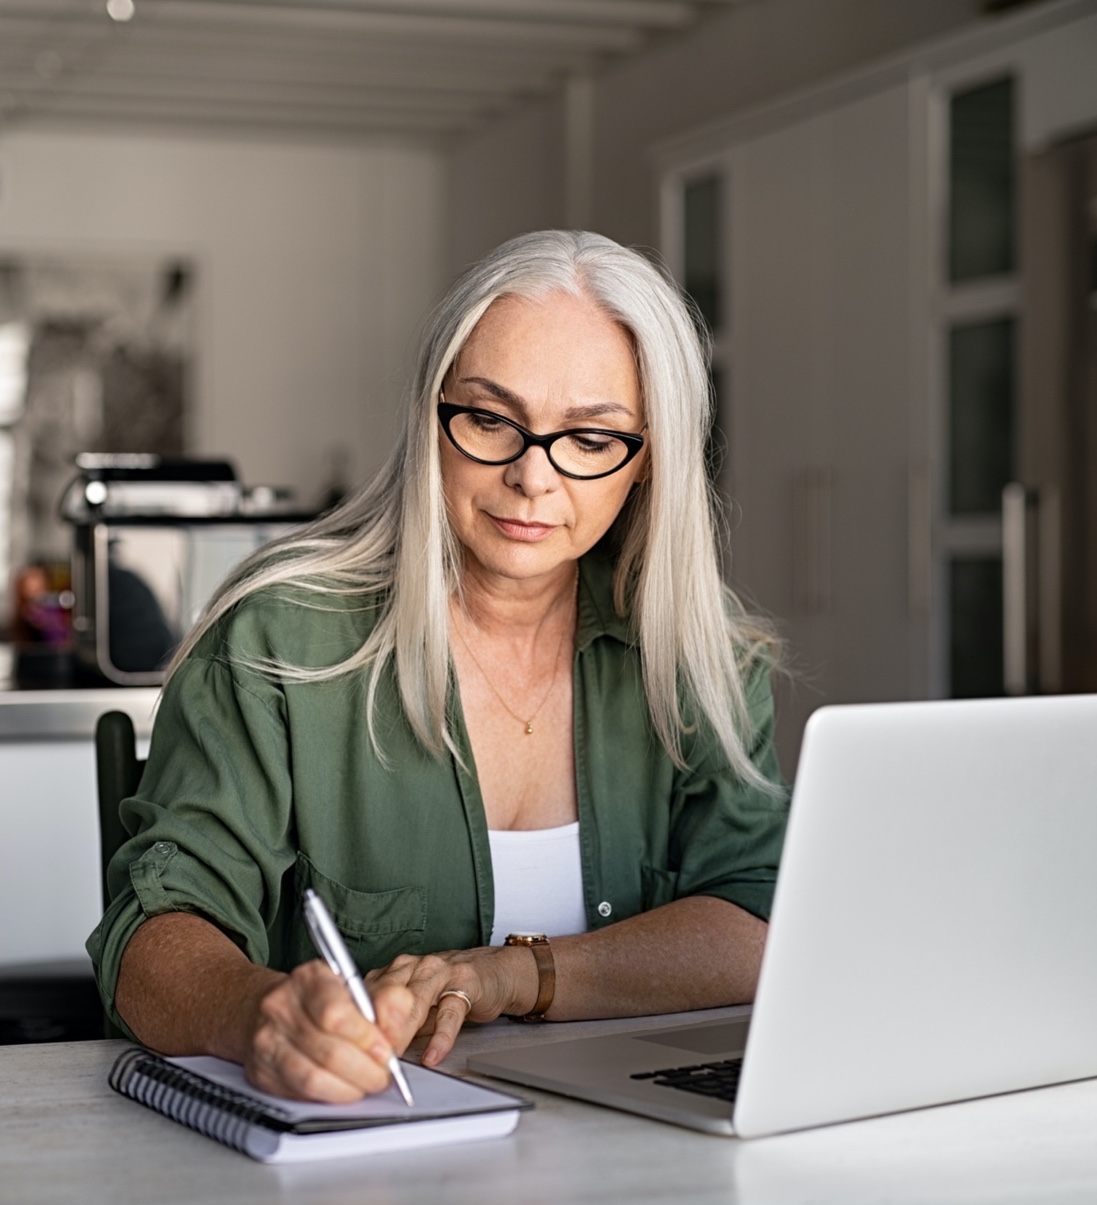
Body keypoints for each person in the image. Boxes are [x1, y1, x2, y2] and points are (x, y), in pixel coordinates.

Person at [87, 230, 788, 1104]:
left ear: (647, 462)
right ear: (431, 418)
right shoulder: (277, 636)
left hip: (639, 1140)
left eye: (590, 438)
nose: (533, 478)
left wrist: (510, 976)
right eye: (491, 420)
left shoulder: (700, 652)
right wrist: (256, 1014)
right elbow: (153, 933)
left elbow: (758, 921)